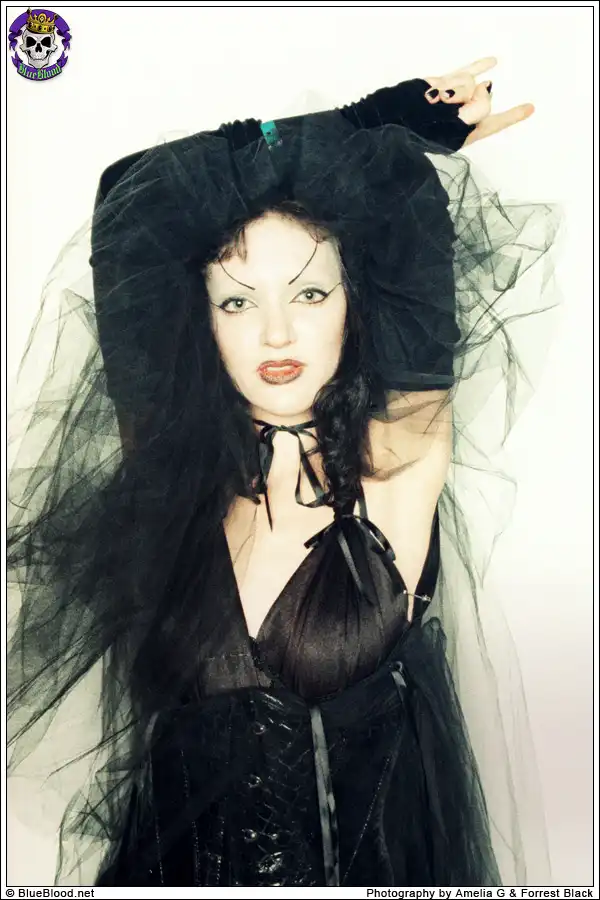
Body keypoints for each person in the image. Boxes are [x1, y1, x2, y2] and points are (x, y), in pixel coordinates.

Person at [7, 59, 560, 887]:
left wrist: (373, 130)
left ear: (355, 305)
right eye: (237, 302)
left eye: (308, 295)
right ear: (202, 321)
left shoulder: (398, 461)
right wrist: (352, 124)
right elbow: (128, 193)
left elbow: (403, 194)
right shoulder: (167, 474)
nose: (275, 334)